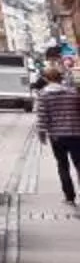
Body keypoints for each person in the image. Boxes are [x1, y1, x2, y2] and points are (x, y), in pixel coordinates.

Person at [37, 62, 80, 207]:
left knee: (63, 165)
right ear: (60, 78)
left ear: (47, 79)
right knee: (79, 164)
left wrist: (42, 134)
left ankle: (69, 197)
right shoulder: (73, 93)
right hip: (75, 134)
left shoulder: (43, 95)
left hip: (57, 136)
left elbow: (43, 116)